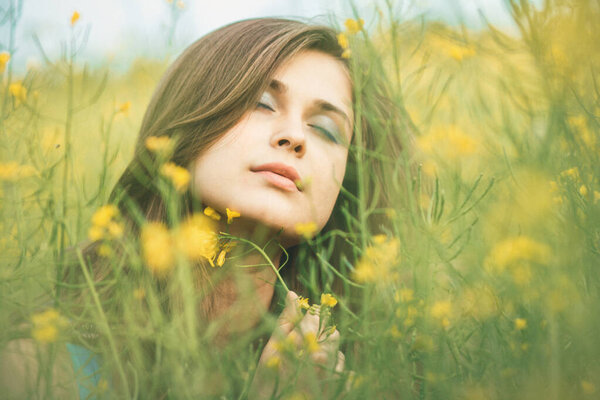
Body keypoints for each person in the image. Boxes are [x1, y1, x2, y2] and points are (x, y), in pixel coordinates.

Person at [0, 17, 405, 399]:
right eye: (262, 103)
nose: (295, 136)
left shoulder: (360, 367)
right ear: (186, 123)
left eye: (326, 130)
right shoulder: (40, 369)